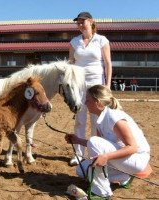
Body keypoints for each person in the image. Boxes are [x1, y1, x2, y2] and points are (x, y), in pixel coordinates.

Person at [65, 85, 150, 198]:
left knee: (94, 142)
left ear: (97, 102)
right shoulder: (101, 119)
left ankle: (102, 192)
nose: (85, 103)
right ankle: (123, 176)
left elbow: (133, 147)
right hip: (123, 158)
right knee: (81, 170)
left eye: (88, 100)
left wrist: (106, 157)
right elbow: (100, 145)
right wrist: (77, 140)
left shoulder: (114, 117)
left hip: (137, 158)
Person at [68, 11, 112, 165]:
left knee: (95, 121)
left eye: (83, 22)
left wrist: (107, 85)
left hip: (96, 84)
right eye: (78, 22)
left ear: (91, 22)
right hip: (79, 85)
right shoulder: (74, 42)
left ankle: (94, 152)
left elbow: (107, 63)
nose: (80, 25)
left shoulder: (102, 40)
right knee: (79, 120)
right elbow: (71, 63)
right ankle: (78, 155)